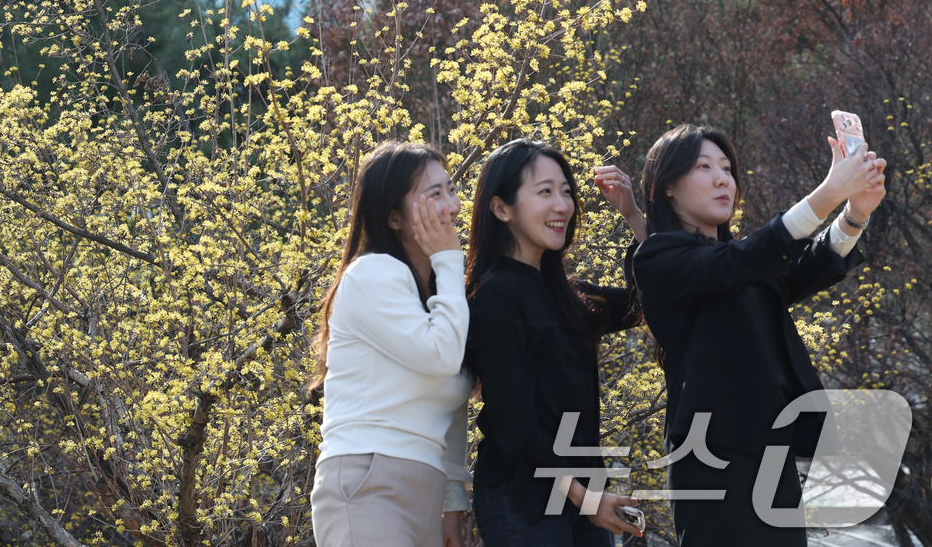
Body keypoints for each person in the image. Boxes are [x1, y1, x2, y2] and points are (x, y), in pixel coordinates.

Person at [631, 124, 886, 547]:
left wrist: (855, 213)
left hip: (771, 448)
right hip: (711, 453)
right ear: (667, 187)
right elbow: (748, 259)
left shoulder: (743, 262)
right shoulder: (658, 258)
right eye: (703, 167)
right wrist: (826, 194)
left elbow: (800, 267)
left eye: (727, 169)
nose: (722, 179)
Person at [457, 139, 647, 546]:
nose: (563, 205)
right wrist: (585, 497)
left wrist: (633, 216)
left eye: (566, 192)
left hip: (582, 499)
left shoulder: (564, 293)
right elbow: (515, 423)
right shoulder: (497, 294)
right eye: (545, 192)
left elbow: (648, 303)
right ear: (501, 208)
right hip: (523, 502)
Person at [309, 140, 472, 547]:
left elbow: (449, 406)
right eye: (434, 195)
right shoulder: (372, 274)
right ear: (395, 218)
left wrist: (452, 504)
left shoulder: (439, 296)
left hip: (424, 492)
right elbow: (442, 356)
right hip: (367, 481)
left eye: (450, 190)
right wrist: (450, 261)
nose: (451, 206)